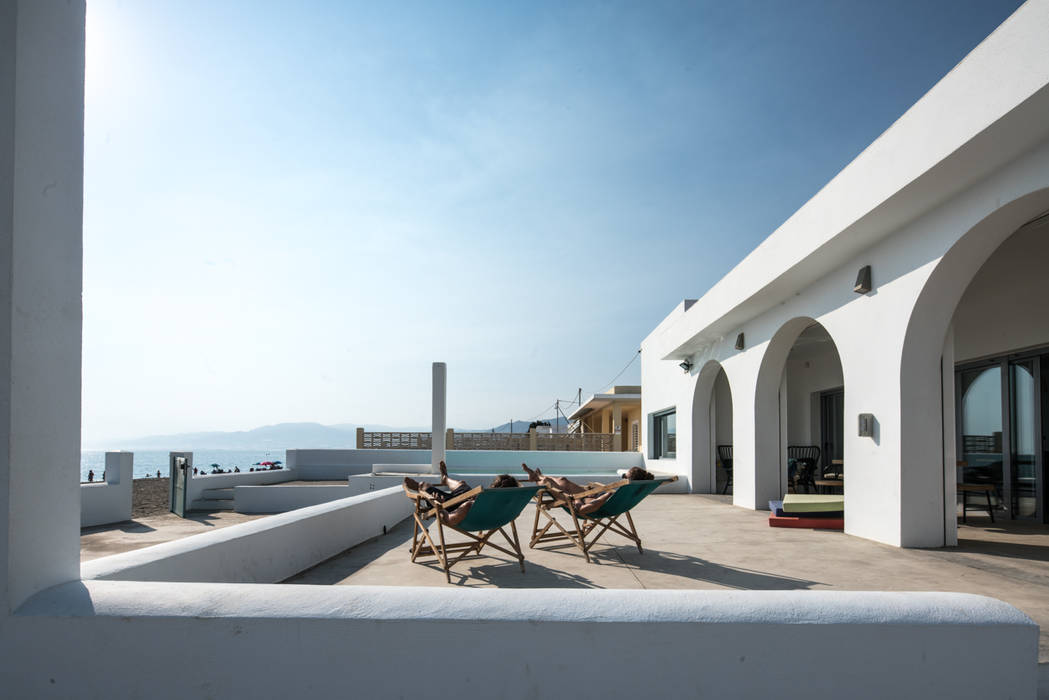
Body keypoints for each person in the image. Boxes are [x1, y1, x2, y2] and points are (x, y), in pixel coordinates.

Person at [404, 462, 519, 526]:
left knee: (424, 486)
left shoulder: (468, 506)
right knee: (463, 485)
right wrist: (477, 498)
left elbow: (449, 519)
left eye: (492, 485)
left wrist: (439, 505)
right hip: (472, 504)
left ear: (493, 488)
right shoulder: (509, 507)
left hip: (450, 507)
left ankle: (420, 487)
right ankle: (445, 478)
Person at [522, 464, 654, 515]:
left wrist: (579, 499)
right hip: (586, 496)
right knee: (562, 479)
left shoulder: (610, 495)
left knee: (546, 483)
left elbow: (581, 510)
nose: (622, 477)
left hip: (576, 502)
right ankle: (538, 475)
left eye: (625, 476)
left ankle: (538, 478)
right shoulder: (621, 494)